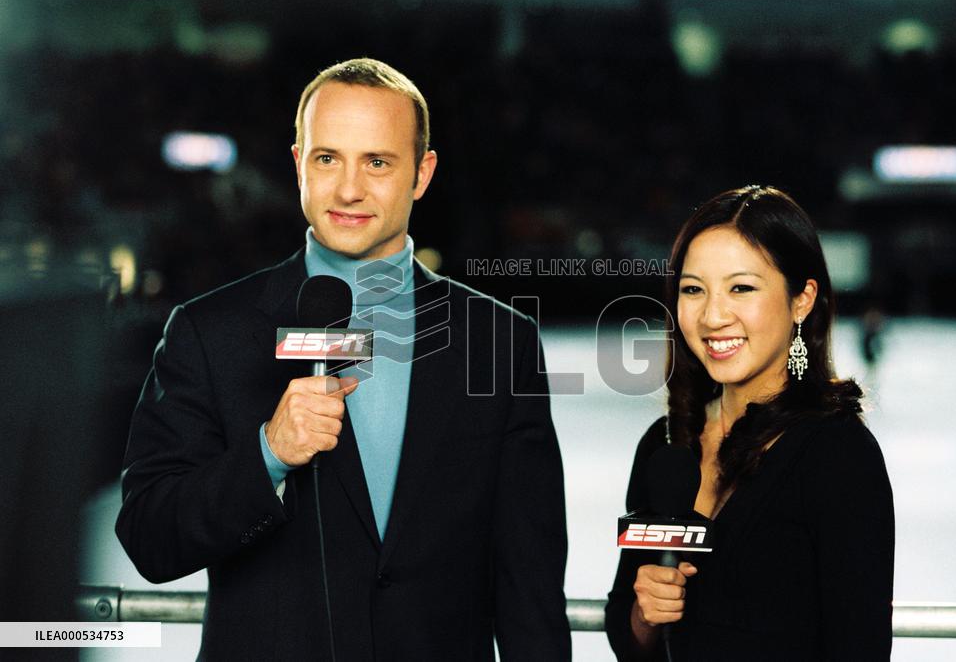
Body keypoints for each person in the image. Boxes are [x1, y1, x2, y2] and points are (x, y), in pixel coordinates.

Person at [116, 58, 571, 661]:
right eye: (328, 159)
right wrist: (268, 455)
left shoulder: (499, 341)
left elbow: (530, 585)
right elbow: (151, 538)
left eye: (377, 162)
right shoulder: (208, 332)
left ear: (422, 173)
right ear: (299, 163)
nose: (349, 189)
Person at [605, 186, 894, 661]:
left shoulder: (838, 454)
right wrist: (645, 613)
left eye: (741, 287)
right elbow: (630, 637)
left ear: (802, 299)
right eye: (693, 290)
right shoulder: (664, 444)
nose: (713, 316)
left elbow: (858, 646)